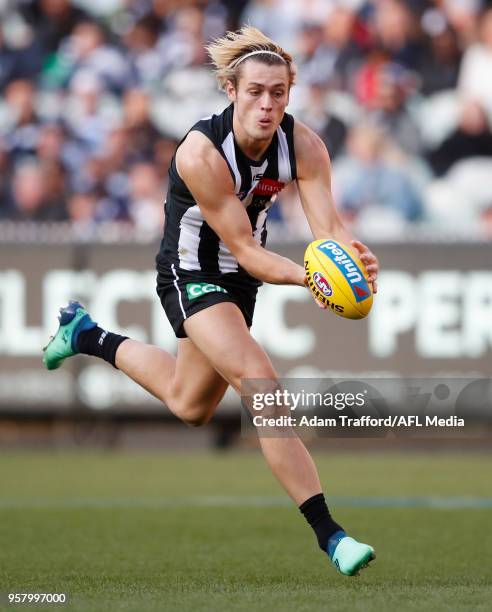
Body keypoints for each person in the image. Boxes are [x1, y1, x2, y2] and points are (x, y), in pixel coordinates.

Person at [43, 27, 379, 577]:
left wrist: (355, 263)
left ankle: (86, 334)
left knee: (190, 403)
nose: (267, 104)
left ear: (290, 93)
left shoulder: (306, 146)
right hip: (190, 270)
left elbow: (330, 232)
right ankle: (331, 535)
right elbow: (245, 249)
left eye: (278, 92)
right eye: (255, 92)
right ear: (230, 89)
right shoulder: (202, 152)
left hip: (239, 281)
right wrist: (311, 279)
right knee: (261, 384)